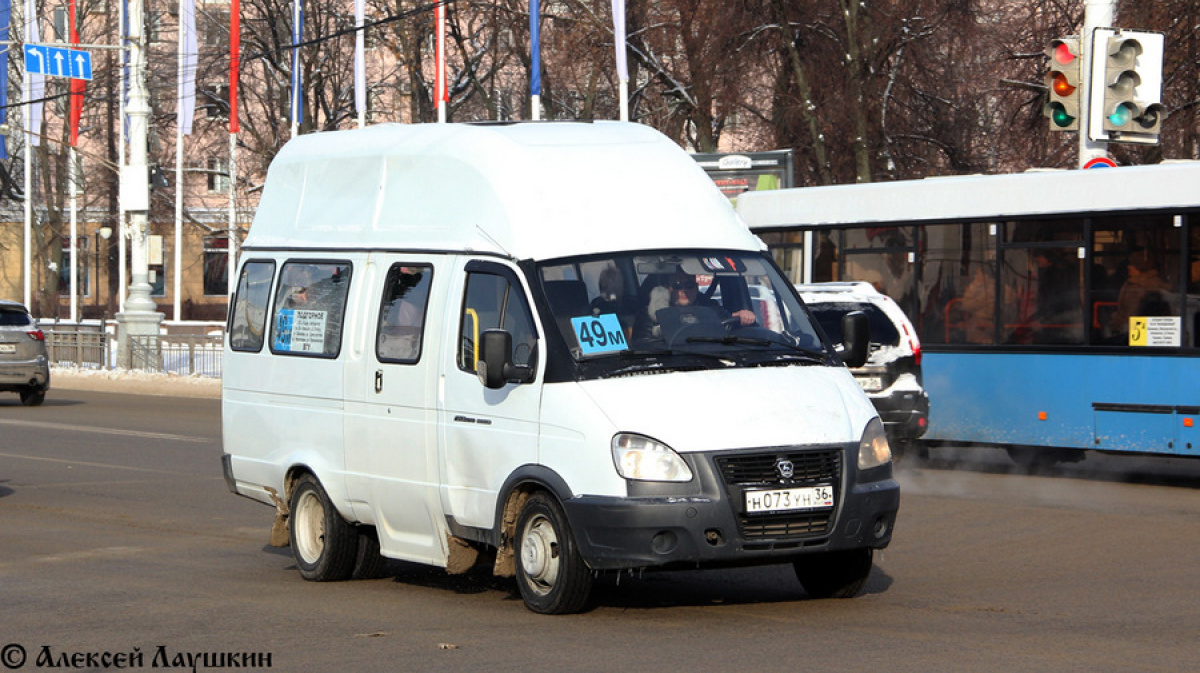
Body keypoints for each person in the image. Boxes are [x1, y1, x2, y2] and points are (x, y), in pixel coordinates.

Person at [634, 270, 755, 341]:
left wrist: (743, 318)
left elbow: (729, 328)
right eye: (677, 285)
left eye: (689, 285)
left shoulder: (711, 308)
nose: (684, 290)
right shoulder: (649, 316)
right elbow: (646, 348)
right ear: (667, 288)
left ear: (697, 288)